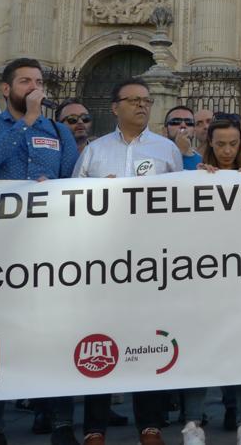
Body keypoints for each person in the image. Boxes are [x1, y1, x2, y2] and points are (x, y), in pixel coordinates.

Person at [0, 58, 81, 445]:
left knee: (55, 333)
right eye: (24, 81)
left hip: (49, 249)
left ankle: (59, 418)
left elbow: (71, 183)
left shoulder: (60, 131)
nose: (33, 87)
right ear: (7, 89)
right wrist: (27, 121)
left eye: (38, 81)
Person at [73, 77, 184, 445]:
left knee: (148, 340)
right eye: (133, 100)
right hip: (103, 264)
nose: (142, 105)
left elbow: (182, 204)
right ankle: (95, 426)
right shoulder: (93, 152)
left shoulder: (167, 151)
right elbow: (73, 203)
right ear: (114, 107)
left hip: (151, 263)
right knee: (99, 341)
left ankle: (150, 424)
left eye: (146, 100)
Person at [195, 116, 241, 445]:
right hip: (202, 278)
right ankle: (193, 425)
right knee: (200, 352)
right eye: (220, 144)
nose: (226, 150)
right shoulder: (193, 176)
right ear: (209, 143)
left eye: (233, 144)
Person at [163, 104, 202, 170]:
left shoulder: (203, 161)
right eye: (176, 121)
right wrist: (179, 151)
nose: (183, 125)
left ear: (194, 131)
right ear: (165, 131)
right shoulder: (156, 156)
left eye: (189, 122)